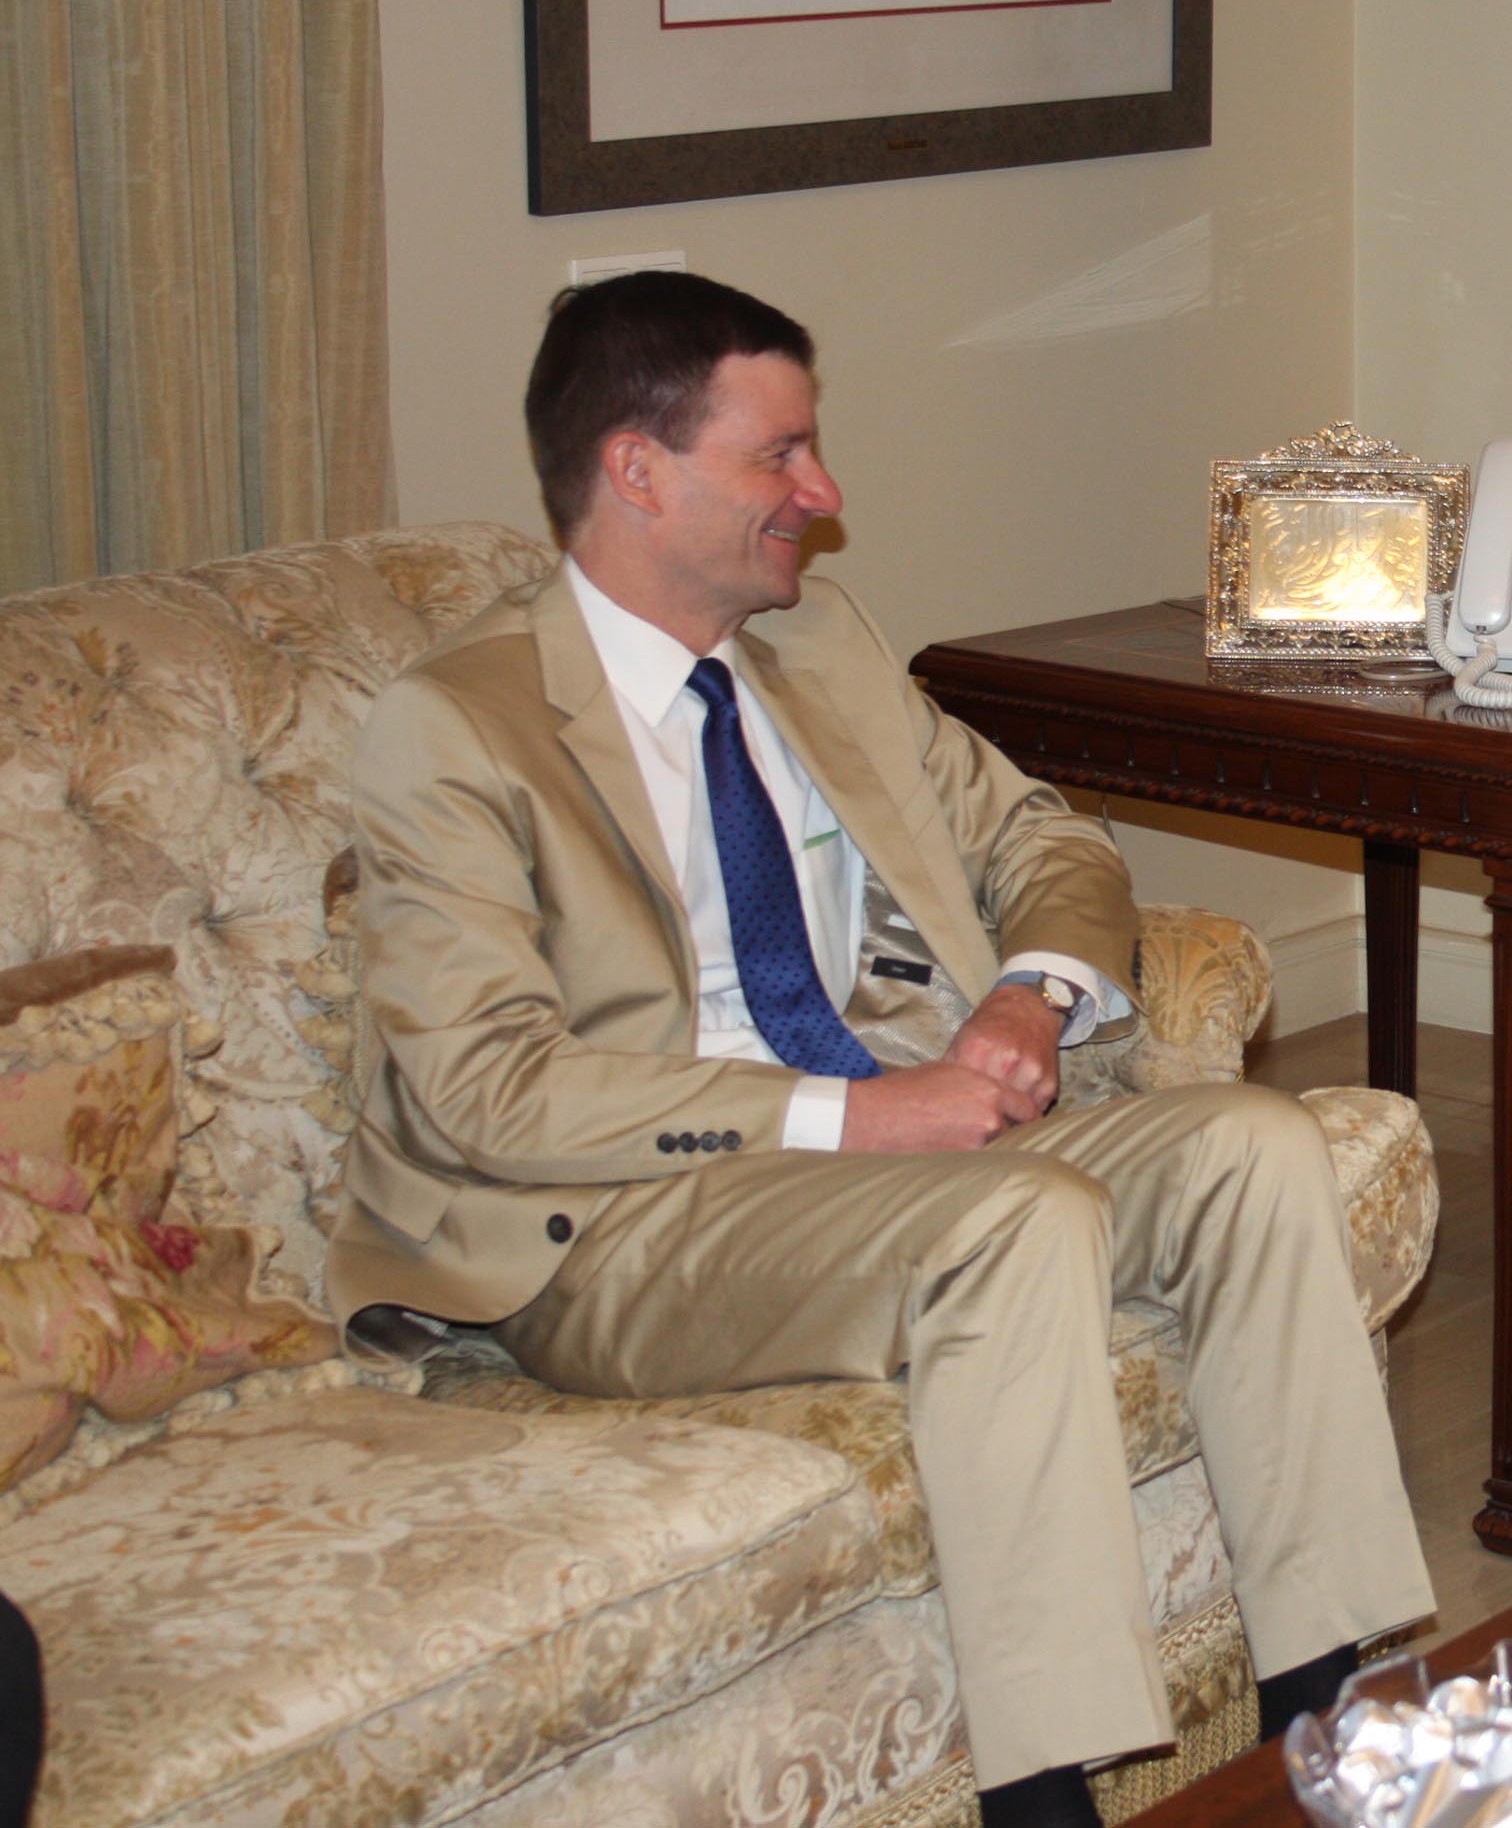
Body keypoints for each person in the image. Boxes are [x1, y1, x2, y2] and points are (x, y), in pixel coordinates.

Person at [326, 271, 1433, 1828]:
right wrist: (860, 1119)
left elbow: (1048, 841)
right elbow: (483, 1092)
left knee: (1254, 1144)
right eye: (777, 455)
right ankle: (1042, 1801)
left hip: (885, 1143)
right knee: (1013, 1218)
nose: (823, 492)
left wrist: (1024, 1000)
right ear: (637, 470)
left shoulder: (817, 646)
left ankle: (1329, 1729)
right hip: (618, 1220)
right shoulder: (459, 726)